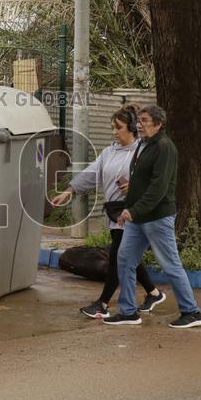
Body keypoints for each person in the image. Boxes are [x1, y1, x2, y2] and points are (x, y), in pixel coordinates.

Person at [50, 104, 165, 319]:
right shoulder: (109, 152)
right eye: (113, 127)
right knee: (128, 256)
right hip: (114, 213)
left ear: (131, 128)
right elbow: (91, 173)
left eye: (119, 127)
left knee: (118, 258)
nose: (114, 131)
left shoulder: (143, 151)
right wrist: (69, 191)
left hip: (132, 213)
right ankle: (154, 293)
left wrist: (135, 186)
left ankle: (102, 304)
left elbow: (156, 180)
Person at [106, 105, 201, 328]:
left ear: (159, 124)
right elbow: (142, 180)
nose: (139, 124)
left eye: (144, 120)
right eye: (139, 120)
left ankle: (192, 312)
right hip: (138, 218)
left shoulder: (164, 147)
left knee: (170, 265)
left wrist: (132, 210)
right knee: (125, 259)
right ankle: (128, 312)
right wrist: (129, 207)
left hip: (157, 218)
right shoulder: (144, 144)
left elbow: (158, 189)